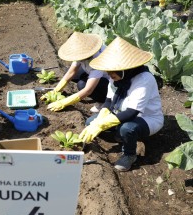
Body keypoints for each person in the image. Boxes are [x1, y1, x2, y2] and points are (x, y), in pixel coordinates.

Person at [79, 37, 164, 171]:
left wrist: (102, 124)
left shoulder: (144, 79)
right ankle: (124, 137)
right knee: (90, 122)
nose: (108, 74)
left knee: (127, 129)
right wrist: (101, 117)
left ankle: (130, 154)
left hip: (147, 119)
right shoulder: (118, 78)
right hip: (120, 112)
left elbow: (132, 112)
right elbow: (108, 101)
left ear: (125, 68)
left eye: (111, 71)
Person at [41, 32, 109, 113]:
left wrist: (63, 102)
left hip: (110, 83)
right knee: (72, 73)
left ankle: (103, 102)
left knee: (82, 85)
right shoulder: (83, 49)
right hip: (95, 73)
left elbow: (88, 90)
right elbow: (71, 72)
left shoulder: (98, 60)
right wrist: (56, 90)